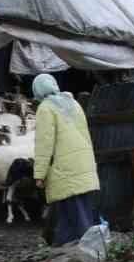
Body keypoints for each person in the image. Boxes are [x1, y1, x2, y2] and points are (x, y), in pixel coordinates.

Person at [30, 73, 101, 247]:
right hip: (83, 165)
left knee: (78, 218)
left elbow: (44, 144)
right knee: (70, 215)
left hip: (66, 170)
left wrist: (39, 174)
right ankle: (61, 252)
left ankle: (92, 253)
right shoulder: (73, 103)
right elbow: (85, 135)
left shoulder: (46, 108)